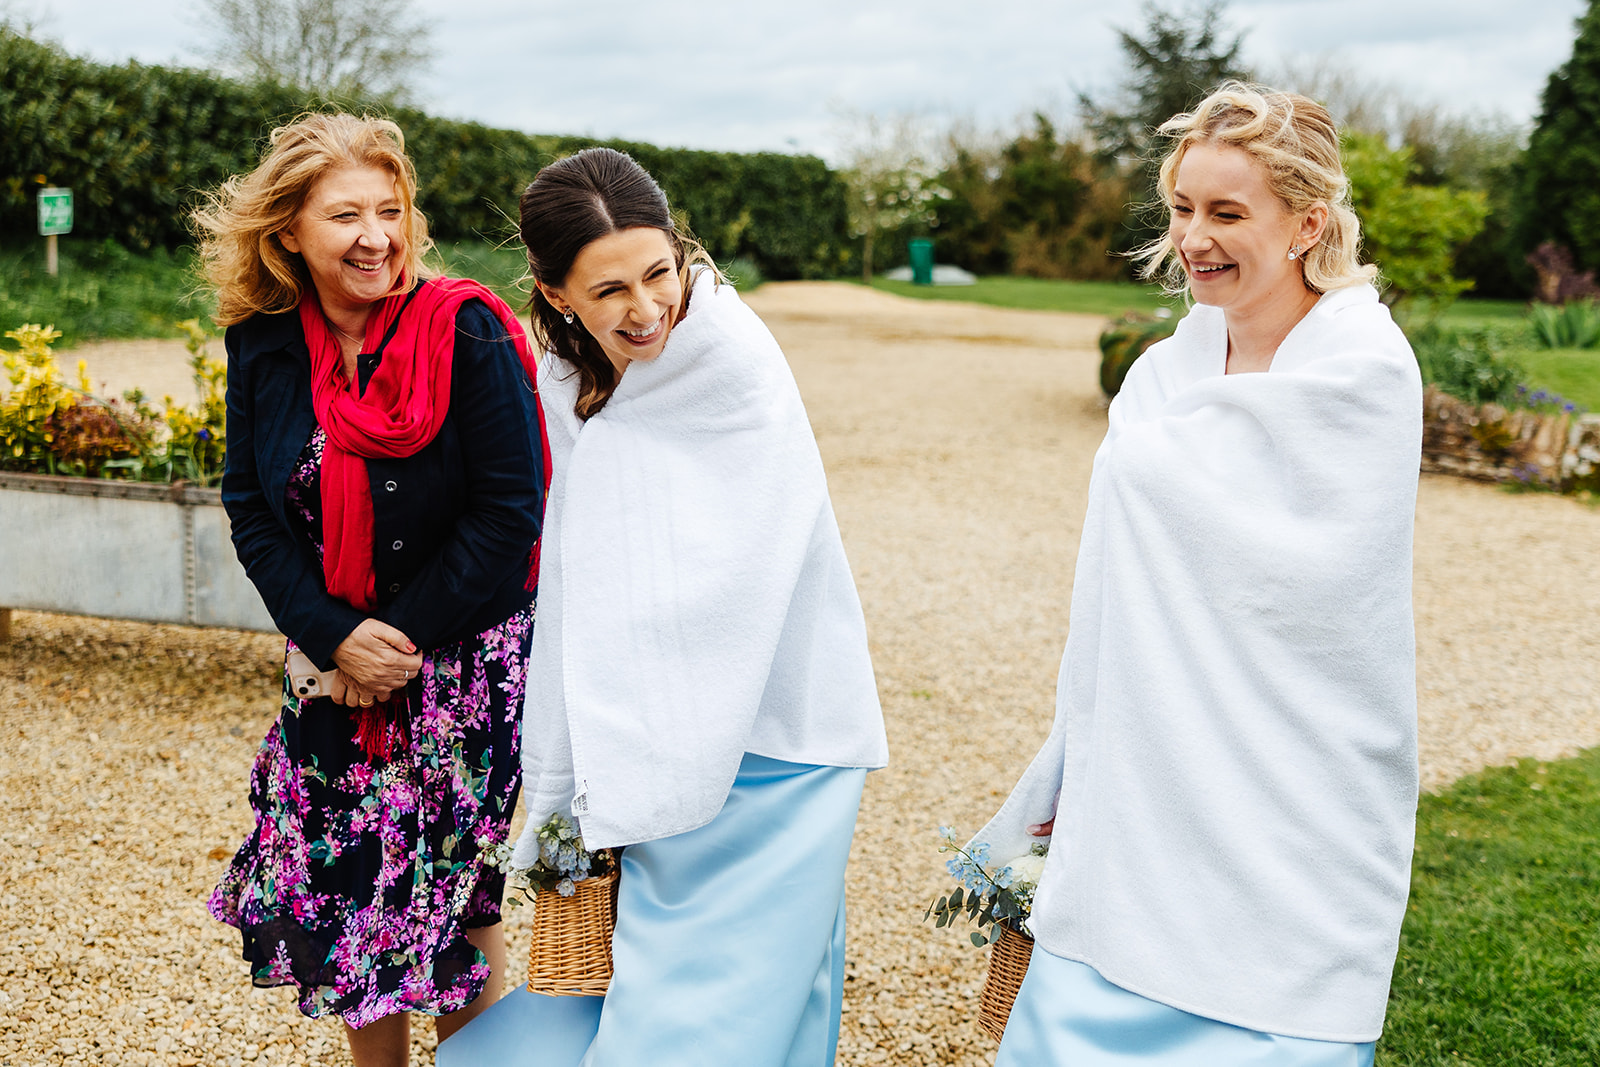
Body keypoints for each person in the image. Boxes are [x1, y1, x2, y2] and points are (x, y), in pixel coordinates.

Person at [975, 83, 1423, 1066]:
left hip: (1291, 776)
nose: (1193, 238)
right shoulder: (1166, 369)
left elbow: (1317, 589)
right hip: (1145, 776)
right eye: (1182, 208)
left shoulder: (1362, 366)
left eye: (1227, 213)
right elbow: (1116, 587)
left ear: (1308, 222)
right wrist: (1073, 751)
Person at [437, 147, 888, 1066]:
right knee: (672, 1005)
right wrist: (569, 769)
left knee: (731, 1015)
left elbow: (750, 562)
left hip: (777, 743)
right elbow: (572, 557)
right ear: (556, 294)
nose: (647, 310)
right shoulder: (562, 370)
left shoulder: (733, 359)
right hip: (648, 737)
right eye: (610, 292)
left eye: (658, 273)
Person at [194, 113, 550, 1067]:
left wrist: (388, 642)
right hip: (327, 666)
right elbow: (251, 507)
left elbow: (510, 514)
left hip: (461, 661)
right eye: (345, 214)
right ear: (288, 235)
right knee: (352, 889)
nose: (376, 237)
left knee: (453, 900)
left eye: (390, 211)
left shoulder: (464, 328)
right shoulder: (262, 343)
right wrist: (330, 634)